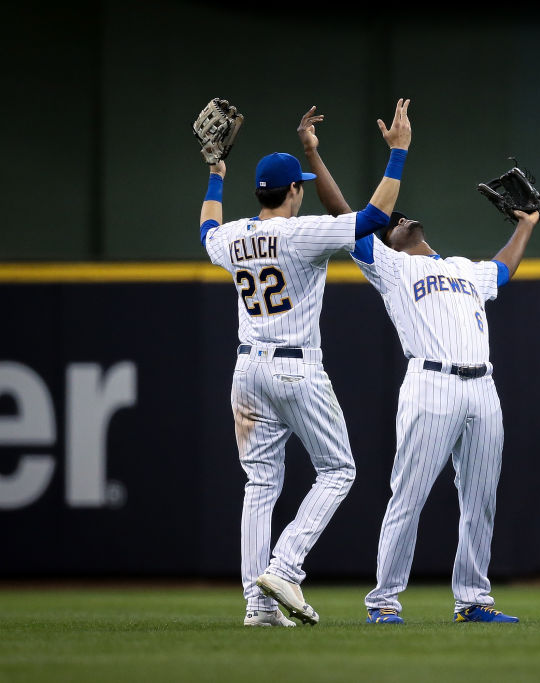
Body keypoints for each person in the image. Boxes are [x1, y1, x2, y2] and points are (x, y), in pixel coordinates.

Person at [298, 123, 540, 624]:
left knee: (481, 500)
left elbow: (502, 269)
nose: (403, 219)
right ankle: (384, 601)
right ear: (387, 237)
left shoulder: (463, 269)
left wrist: (525, 227)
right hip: (430, 383)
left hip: (482, 388)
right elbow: (343, 215)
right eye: (394, 221)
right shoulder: (389, 265)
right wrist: (313, 154)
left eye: (405, 217)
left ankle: (473, 600)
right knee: (408, 496)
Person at [198, 98, 412, 627]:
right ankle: (285, 567)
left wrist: (215, 174)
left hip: (246, 372)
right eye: (299, 186)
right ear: (294, 191)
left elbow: (206, 231)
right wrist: (400, 153)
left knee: (260, 485)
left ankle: (257, 605)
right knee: (338, 469)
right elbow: (374, 218)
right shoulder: (300, 231)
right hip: (295, 368)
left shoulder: (232, 239)